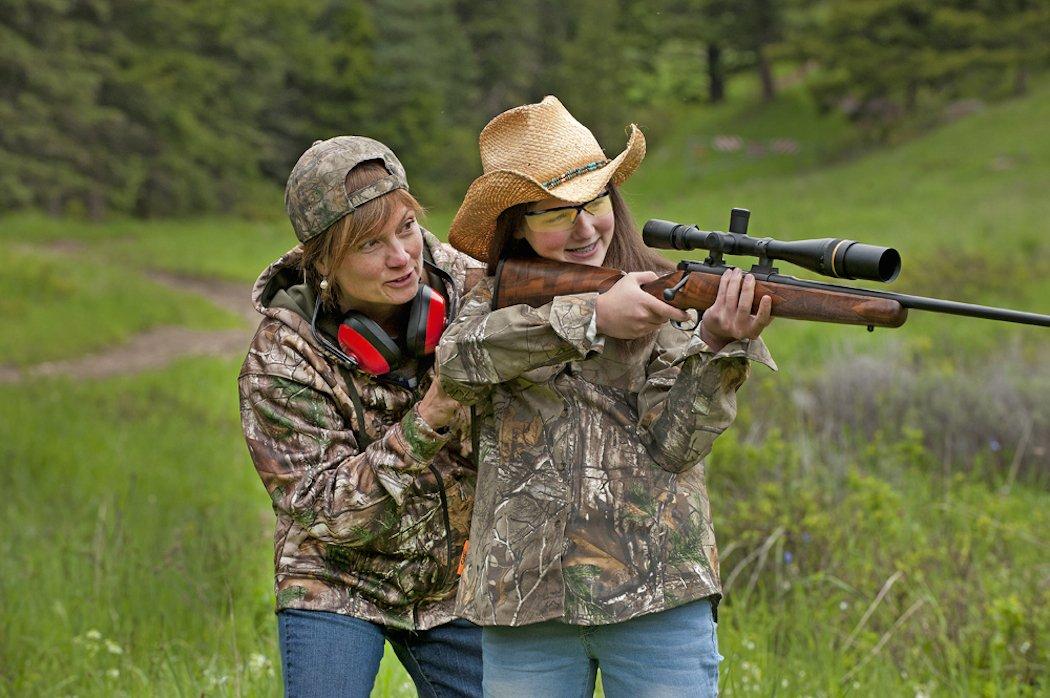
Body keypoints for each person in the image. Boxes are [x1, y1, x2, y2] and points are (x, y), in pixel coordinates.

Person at [436, 97, 776, 697]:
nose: (585, 228)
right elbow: (458, 367)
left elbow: (676, 448)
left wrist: (718, 346)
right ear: (514, 225)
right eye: (554, 214)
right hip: (524, 601)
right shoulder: (488, 299)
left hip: (658, 595)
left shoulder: (664, 293)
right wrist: (591, 317)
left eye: (594, 203)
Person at [238, 136, 485, 698]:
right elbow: (328, 514)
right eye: (370, 244)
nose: (401, 257)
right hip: (334, 572)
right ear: (323, 261)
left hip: (454, 579)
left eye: (405, 228)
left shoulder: (470, 288)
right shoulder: (280, 358)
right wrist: (429, 416)